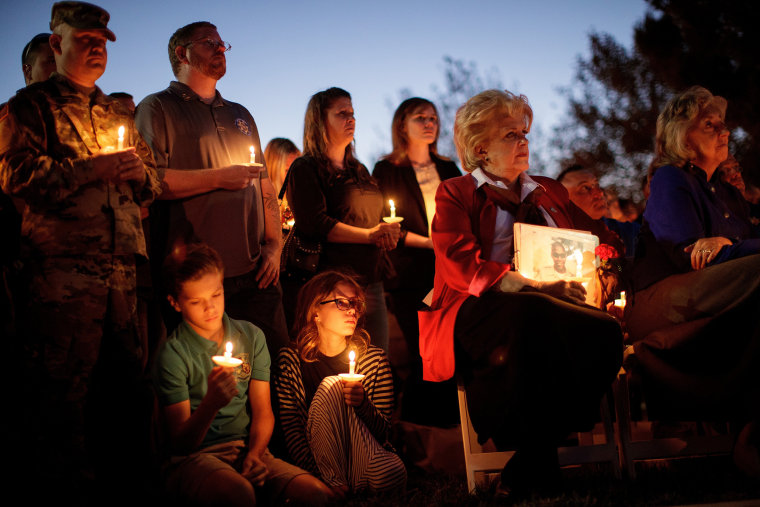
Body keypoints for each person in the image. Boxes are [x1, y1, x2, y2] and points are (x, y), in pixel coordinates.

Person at [418, 89, 623, 497]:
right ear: (481, 148)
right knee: (530, 317)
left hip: (553, 308)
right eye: (511, 135)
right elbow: (460, 267)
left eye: (524, 133)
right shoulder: (455, 192)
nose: (524, 142)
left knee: (604, 331)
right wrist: (533, 286)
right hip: (478, 308)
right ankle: (536, 456)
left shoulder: (548, 190)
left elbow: (602, 240)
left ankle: (531, 459)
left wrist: (605, 270)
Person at [0, 1, 161, 500]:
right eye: (85, 40)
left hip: (121, 281)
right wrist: (93, 170)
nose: (96, 49)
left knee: (124, 397)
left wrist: (141, 175)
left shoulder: (117, 110)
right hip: (61, 284)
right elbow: (15, 176)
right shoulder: (28, 108)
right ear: (57, 43)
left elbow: (151, 180)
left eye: (102, 42)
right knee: (59, 405)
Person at [627, 86, 760, 476]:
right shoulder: (671, 179)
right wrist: (733, 246)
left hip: (717, 286)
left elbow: (733, 247)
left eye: (724, 125)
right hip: (662, 298)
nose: (724, 132)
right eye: (710, 124)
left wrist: (732, 244)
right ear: (684, 137)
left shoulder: (724, 192)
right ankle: (749, 440)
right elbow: (690, 254)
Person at [136, 21, 289, 355]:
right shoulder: (157, 107)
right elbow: (152, 181)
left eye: (223, 44)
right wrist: (219, 177)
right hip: (196, 279)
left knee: (278, 364)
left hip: (255, 273)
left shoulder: (240, 114)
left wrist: (274, 247)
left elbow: (264, 187)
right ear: (182, 53)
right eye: (209, 43)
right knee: (210, 385)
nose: (221, 49)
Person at [154, 242, 331, 506]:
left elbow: (263, 411)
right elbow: (181, 444)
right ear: (175, 303)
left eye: (216, 294)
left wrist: (256, 455)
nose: (210, 308)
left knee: (318, 495)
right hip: (194, 459)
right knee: (239, 494)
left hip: (246, 448)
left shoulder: (250, 336)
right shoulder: (174, 353)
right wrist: (211, 404)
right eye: (196, 301)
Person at [285, 87, 400, 351]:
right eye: (341, 113)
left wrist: (386, 234)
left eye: (352, 113)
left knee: (375, 360)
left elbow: (374, 217)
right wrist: (369, 235)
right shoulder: (305, 168)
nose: (351, 120)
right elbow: (316, 223)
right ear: (320, 121)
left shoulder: (359, 170)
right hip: (332, 289)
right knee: (336, 364)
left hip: (370, 281)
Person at [274, 270, 406, 497]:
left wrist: (362, 403)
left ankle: (351, 484)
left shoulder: (374, 360)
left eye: (356, 303)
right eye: (341, 302)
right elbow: (293, 431)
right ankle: (334, 483)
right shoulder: (291, 360)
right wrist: (318, 476)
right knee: (331, 387)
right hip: (316, 463)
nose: (353, 310)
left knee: (393, 472)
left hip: (362, 457)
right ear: (315, 311)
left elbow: (383, 433)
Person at [372, 97, 461, 425]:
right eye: (420, 117)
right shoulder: (387, 170)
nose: (429, 123)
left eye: (433, 118)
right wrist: (429, 242)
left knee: (451, 345)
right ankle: (421, 428)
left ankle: (451, 428)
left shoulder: (449, 169)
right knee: (420, 350)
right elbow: (384, 218)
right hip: (410, 270)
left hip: (450, 270)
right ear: (401, 125)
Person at [557, 164, 639, 257]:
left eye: (596, 185)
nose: (599, 193)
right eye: (585, 188)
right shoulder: (554, 238)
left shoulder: (629, 234)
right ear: (563, 199)